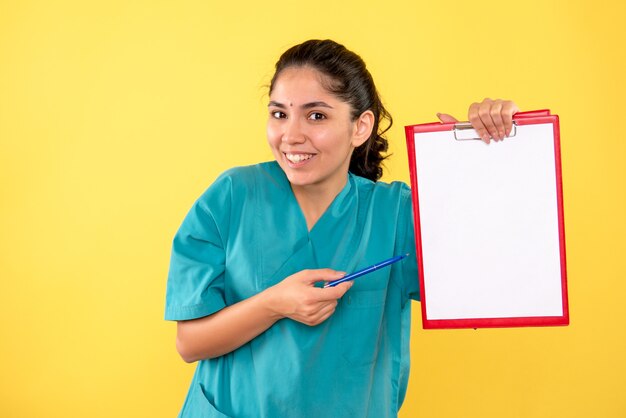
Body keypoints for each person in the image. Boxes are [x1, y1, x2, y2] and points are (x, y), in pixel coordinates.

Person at [164, 39, 519, 418]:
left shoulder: (395, 214)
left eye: (316, 116)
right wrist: (274, 304)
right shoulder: (232, 196)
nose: (292, 135)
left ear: (360, 127)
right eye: (279, 114)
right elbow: (189, 342)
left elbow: (485, 288)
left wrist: (484, 158)